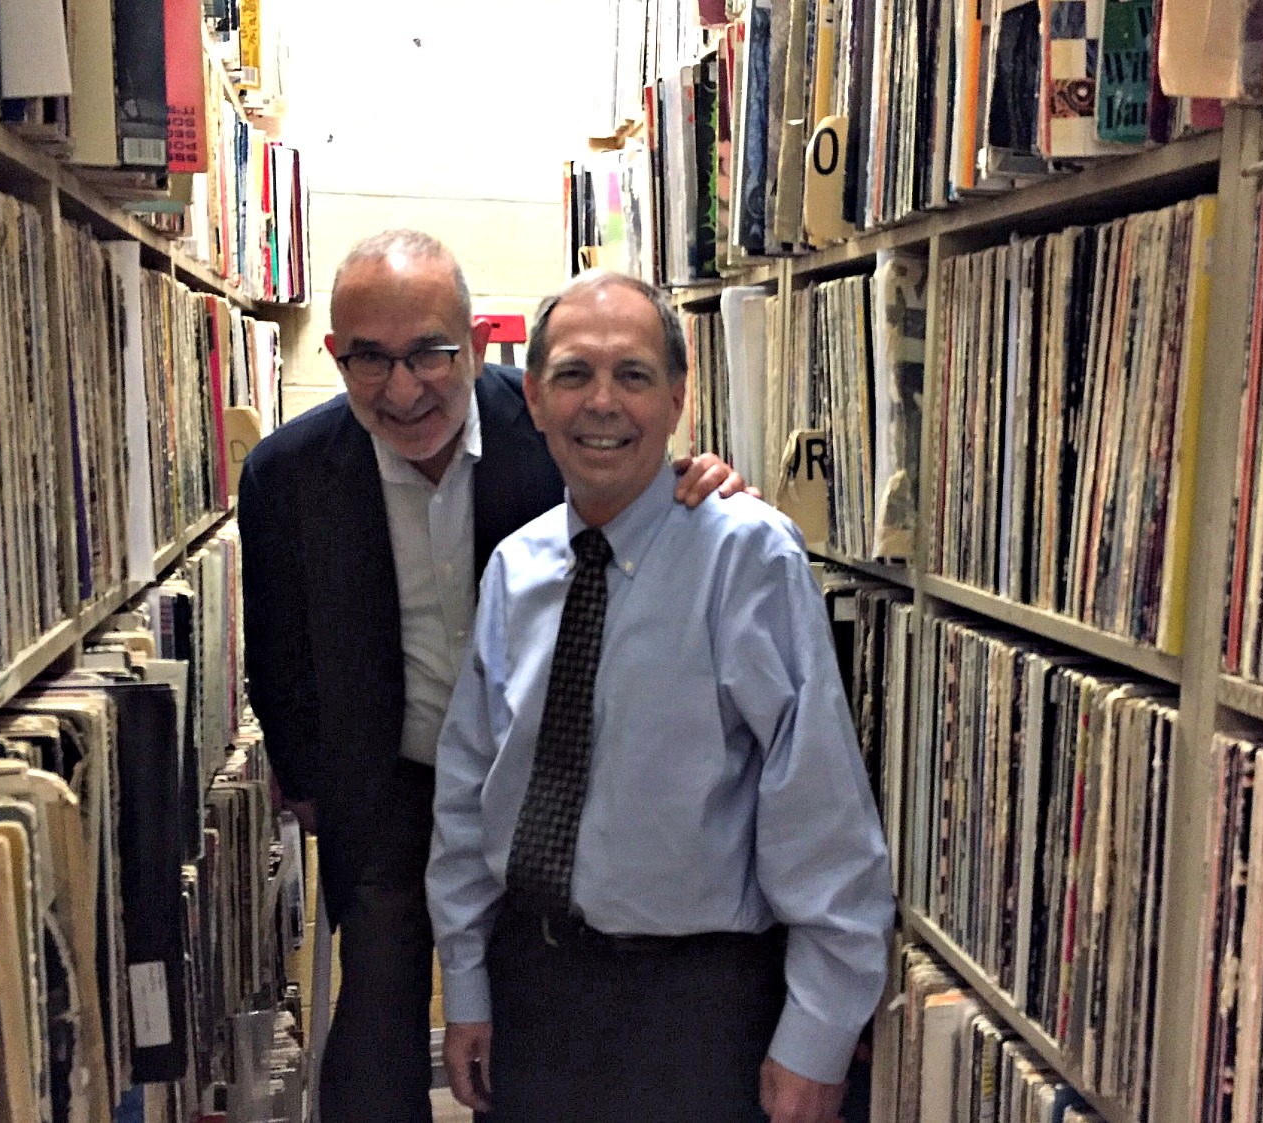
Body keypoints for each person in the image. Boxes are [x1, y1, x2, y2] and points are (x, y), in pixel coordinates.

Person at [237, 231, 745, 1122]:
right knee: (378, 1015)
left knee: (519, 1004)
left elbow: (642, 493)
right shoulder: (284, 474)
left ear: (475, 342)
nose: (404, 388)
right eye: (369, 359)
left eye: (431, 352)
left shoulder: (551, 422)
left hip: (541, 781)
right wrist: (313, 783)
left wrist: (704, 484)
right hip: (385, 784)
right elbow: (276, 650)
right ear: (333, 355)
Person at [427, 271, 894, 1123]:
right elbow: (468, 795)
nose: (602, 402)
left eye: (633, 375)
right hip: (534, 989)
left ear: (679, 398)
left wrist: (817, 1032)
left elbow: (820, 810)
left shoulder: (747, 558)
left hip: (697, 1011)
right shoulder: (516, 567)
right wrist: (466, 980)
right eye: (573, 374)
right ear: (533, 397)